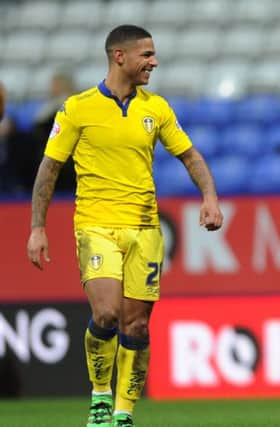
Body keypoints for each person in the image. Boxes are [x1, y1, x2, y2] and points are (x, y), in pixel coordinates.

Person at [26, 25, 223, 427]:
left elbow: (190, 156)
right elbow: (49, 168)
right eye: (146, 55)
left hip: (146, 229)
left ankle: (123, 413)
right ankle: (100, 394)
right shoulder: (77, 108)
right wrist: (37, 227)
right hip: (97, 225)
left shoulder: (157, 108)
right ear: (120, 56)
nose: (154, 62)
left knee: (136, 323)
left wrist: (209, 197)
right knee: (106, 314)